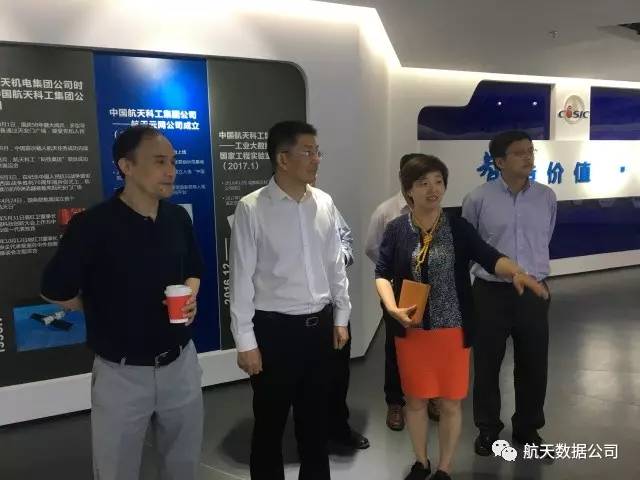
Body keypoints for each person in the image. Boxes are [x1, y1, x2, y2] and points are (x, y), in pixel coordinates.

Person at [41, 125, 204, 480]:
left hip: (181, 365)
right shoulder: (92, 225)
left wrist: (190, 295)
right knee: (116, 470)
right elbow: (53, 288)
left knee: (184, 465)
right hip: (121, 374)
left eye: (173, 162)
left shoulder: (177, 218)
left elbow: (194, 269)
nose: (171, 170)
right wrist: (95, 304)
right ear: (126, 166)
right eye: (159, 161)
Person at [375, 154, 548, 480]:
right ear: (409, 190)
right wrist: (391, 306)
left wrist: (516, 271)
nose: (433, 189)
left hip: (452, 330)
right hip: (411, 329)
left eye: (438, 182)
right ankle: (421, 462)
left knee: (451, 404)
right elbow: (382, 272)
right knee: (415, 401)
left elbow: (489, 256)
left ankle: (444, 467)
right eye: (423, 183)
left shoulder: (457, 227)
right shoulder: (397, 229)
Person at [230, 120, 351, 480]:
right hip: (275, 332)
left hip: (319, 328)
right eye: (308, 152)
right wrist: (245, 342)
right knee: (270, 424)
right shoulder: (252, 208)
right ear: (282, 159)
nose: (317, 159)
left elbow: (335, 264)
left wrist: (341, 317)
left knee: (315, 423)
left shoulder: (324, 202)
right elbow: (241, 279)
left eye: (317, 151)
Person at [462, 130, 556, 455]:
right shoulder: (478, 199)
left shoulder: (546, 197)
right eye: (519, 152)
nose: (528, 157)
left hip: (533, 292)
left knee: (533, 365)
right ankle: (488, 429)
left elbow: (546, 237)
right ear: (499, 161)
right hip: (490, 293)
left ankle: (528, 429)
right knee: (487, 365)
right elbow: (470, 246)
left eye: (531, 151)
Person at [365, 154, 440, 431]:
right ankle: (395, 402)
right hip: (399, 290)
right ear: (403, 178)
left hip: (432, 289)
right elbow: (372, 248)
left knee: (430, 345)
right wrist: (394, 273)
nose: (427, 186)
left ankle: (430, 395)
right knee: (396, 347)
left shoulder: (436, 210)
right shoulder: (387, 212)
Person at [328, 206, 370, 450]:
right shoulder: (260, 209)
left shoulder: (325, 204)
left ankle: (337, 426)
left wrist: (339, 260)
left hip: (332, 306)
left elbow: (345, 237)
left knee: (338, 372)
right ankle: (307, 433)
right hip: (288, 312)